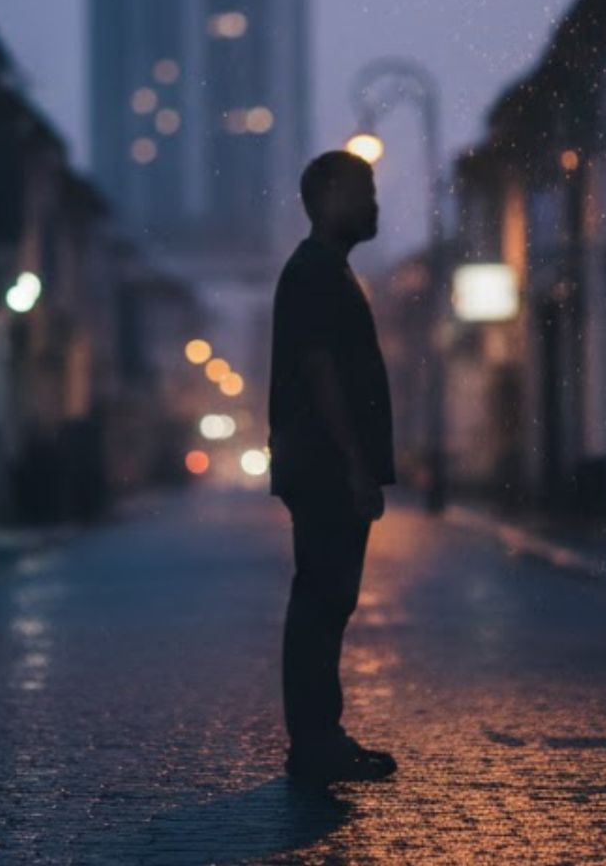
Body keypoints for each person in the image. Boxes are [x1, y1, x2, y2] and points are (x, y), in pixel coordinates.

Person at [268, 150, 399, 785]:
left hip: (322, 462)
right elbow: (321, 371)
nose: (373, 204)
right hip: (324, 465)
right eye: (362, 191)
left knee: (328, 598)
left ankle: (320, 737)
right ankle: (316, 742)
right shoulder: (315, 271)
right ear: (325, 198)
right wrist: (353, 462)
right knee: (322, 598)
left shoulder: (327, 269)